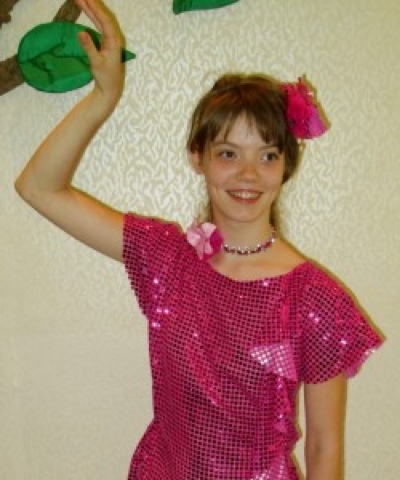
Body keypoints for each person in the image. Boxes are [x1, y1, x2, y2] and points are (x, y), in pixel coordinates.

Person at [15, 1, 383, 479]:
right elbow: (39, 188)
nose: (248, 174)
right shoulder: (166, 257)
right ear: (198, 157)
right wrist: (104, 98)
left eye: (267, 155)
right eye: (228, 153)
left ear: (286, 166)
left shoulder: (314, 298)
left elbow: (323, 448)